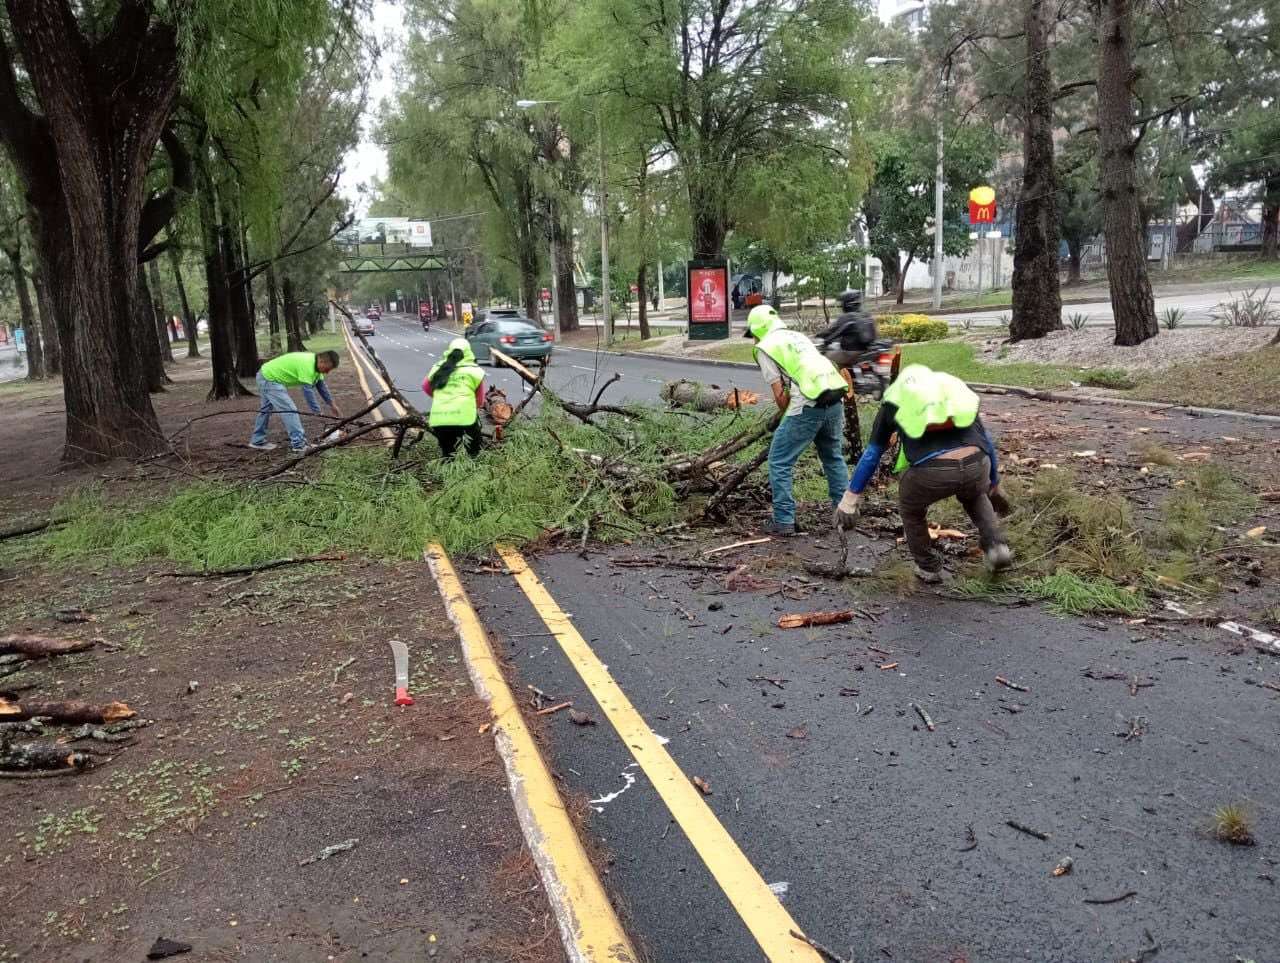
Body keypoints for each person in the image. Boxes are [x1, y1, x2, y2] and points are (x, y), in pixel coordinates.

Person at [834, 364, 1013, 582]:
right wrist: (994, 481)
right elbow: (987, 442)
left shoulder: (896, 400)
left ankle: (928, 567)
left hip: (933, 472)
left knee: (911, 508)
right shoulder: (954, 393)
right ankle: (995, 545)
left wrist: (850, 499)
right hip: (977, 463)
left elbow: (873, 454)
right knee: (975, 494)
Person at [745, 304, 851, 536]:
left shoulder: (765, 347)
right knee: (832, 456)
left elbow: (780, 396)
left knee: (779, 460)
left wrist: (783, 420)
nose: (752, 339)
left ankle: (783, 520)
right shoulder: (796, 336)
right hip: (835, 397)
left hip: (808, 402)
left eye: (752, 334)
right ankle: (846, 513)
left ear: (758, 329)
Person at [249, 350, 342, 453]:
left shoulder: (316, 366)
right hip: (270, 379)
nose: (327, 372)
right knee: (290, 410)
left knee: (266, 410)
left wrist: (332, 405)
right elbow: (307, 391)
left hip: (266, 375)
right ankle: (299, 445)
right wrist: (317, 412)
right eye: (327, 368)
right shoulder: (307, 365)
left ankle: (257, 441)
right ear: (322, 361)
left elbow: (321, 385)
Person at [424, 337, 486, 457]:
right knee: (473, 453)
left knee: (448, 455)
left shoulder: (438, 368)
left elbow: (426, 387)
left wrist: (441, 398)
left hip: (439, 421)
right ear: (469, 352)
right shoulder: (474, 371)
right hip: (465, 420)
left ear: (449, 351)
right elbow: (479, 402)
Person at [815, 290, 879, 368]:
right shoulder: (866, 315)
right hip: (867, 350)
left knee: (823, 358)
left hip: (850, 352)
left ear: (846, 304)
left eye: (842, 303)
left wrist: (818, 335)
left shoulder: (846, 317)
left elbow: (832, 331)